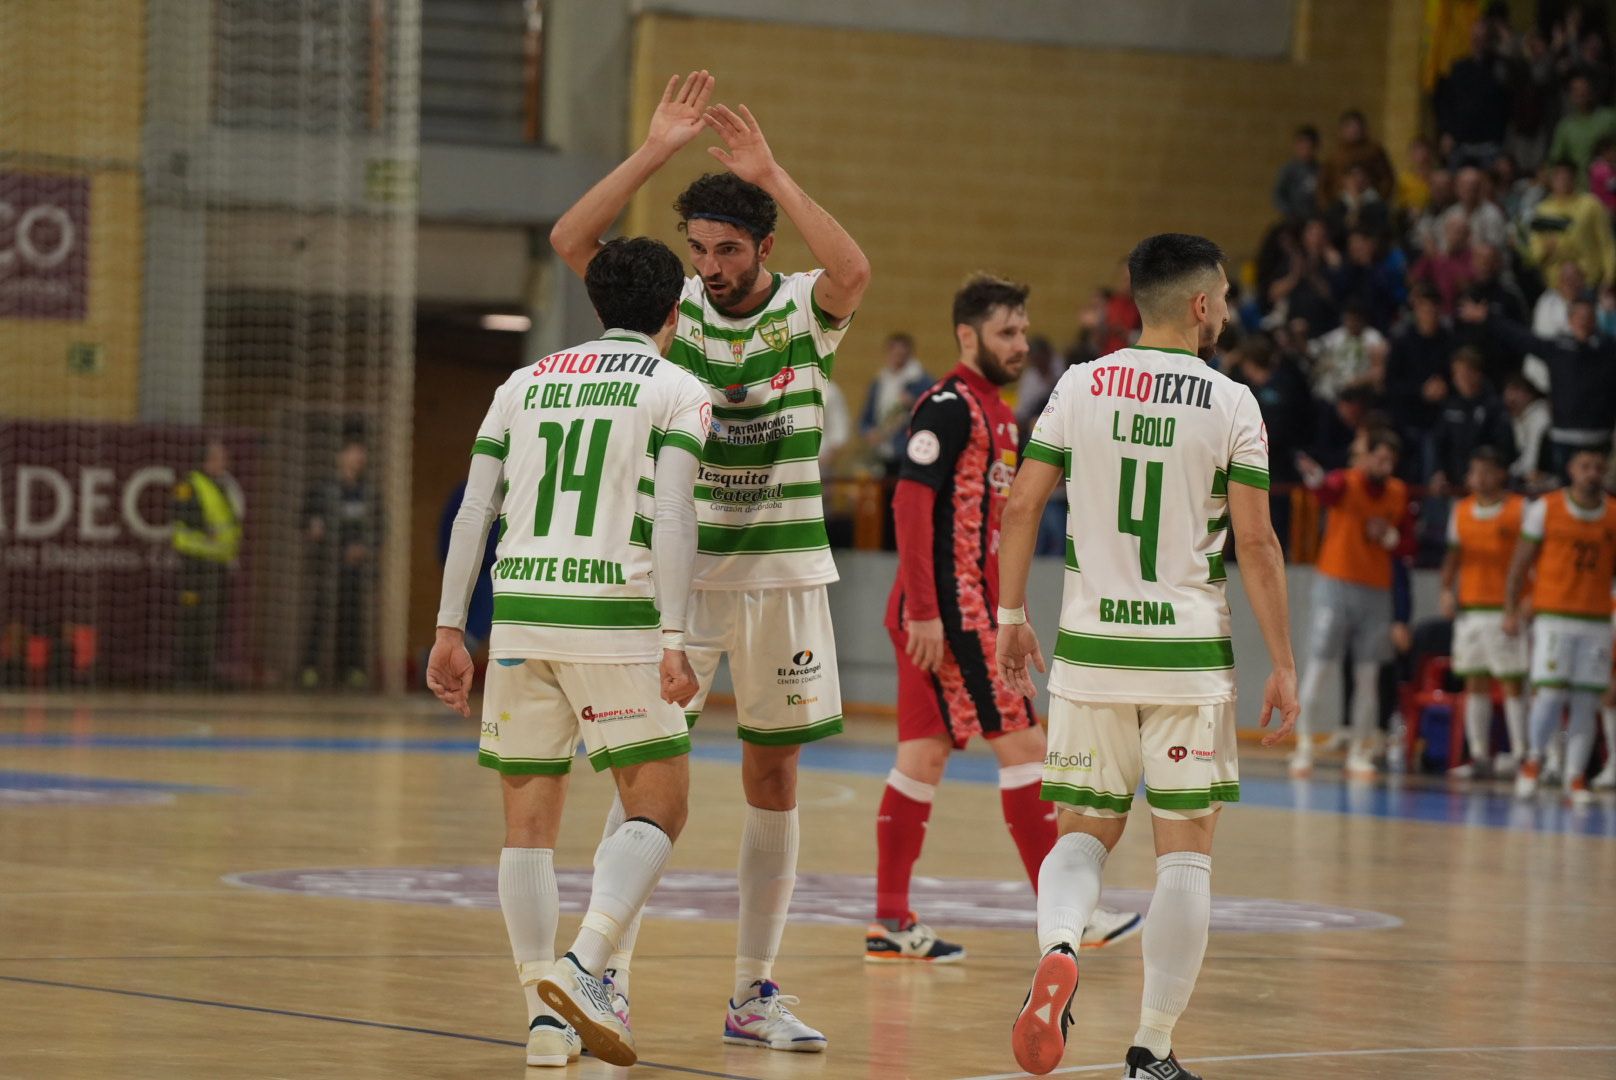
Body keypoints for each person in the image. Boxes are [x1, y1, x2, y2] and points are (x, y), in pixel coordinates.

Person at [548, 70, 870, 1051]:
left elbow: (853, 269)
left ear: (762, 248)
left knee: (771, 784)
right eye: (699, 249)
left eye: (728, 249)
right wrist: (652, 153)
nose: (711, 264)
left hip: (781, 581)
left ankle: (751, 995)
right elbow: (571, 243)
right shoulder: (672, 309)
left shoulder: (807, 309)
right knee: (644, 785)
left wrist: (771, 169)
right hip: (675, 587)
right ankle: (600, 980)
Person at [996, 233, 1299, 1079]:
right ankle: (1152, 1049)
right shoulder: (1233, 402)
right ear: (1201, 305)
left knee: (1085, 834)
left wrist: (1011, 615)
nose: (1230, 311)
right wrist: (1283, 660)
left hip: (1091, 651)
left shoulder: (1080, 384)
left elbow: (1023, 505)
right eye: (1228, 298)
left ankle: (1059, 948)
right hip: (1186, 656)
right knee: (1186, 852)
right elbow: (1257, 542)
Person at [426, 236, 709, 1068]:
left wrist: (451, 628)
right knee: (660, 806)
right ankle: (586, 966)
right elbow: (675, 517)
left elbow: (476, 509)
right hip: (614, 616)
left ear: (594, 307)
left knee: (527, 829)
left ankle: (542, 1025)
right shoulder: (678, 388)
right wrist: (674, 636)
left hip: (519, 613)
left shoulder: (522, 384)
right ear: (673, 311)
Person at [870, 276, 1141, 965]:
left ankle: (892, 921)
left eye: (1023, 332)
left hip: (964, 609)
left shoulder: (1000, 413)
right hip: (950, 614)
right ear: (968, 336)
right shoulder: (949, 408)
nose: (1020, 345)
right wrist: (928, 614)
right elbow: (908, 506)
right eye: (1006, 333)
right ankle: (1067, 916)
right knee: (1025, 747)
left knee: (923, 756)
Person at [1292, 430, 1415, 778]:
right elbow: (1326, 491)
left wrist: (1390, 537)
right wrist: (1314, 478)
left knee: (1368, 677)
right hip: (1335, 585)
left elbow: (1407, 543)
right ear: (1366, 457)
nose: (1385, 465)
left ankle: (1359, 753)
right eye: (1380, 457)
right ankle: (1303, 748)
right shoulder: (1345, 482)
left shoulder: (1398, 493)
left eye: (1391, 461)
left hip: (1376, 592)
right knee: (1319, 668)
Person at [1506, 448, 1616, 804]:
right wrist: (1511, 607)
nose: (1592, 473)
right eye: (1585, 466)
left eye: (1599, 467)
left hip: (1596, 618)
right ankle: (1533, 762)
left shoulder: (1613, 515)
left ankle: (1575, 776)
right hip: (1554, 615)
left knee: (1587, 700)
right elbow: (1521, 561)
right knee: (1551, 695)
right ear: (1571, 469)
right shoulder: (1546, 508)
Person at [1439, 447, 1530, 777]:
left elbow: (1532, 561)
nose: (1478, 477)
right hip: (1471, 609)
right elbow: (1453, 558)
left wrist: (1522, 606)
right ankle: (1479, 756)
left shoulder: (1521, 509)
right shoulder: (1461, 511)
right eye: (1474, 471)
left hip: (1506, 610)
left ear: (1501, 474)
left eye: (1486, 471)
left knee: (1512, 683)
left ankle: (1522, 756)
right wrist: (1446, 590)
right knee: (1474, 680)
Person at [1461, 294, 1616, 476]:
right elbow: (1522, 338)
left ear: (1595, 320)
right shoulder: (1558, 348)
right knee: (1562, 497)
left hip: (1599, 440)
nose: (1583, 321)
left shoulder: (1609, 350)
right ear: (1570, 320)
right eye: (1579, 316)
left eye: (1588, 317)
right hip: (1563, 439)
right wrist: (1488, 319)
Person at [300, 434, 381, 689]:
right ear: (341, 456)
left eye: (361, 452)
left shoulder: (368, 493)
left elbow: (380, 527)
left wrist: (364, 548)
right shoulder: (324, 489)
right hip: (328, 566)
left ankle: (351, 670)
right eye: (353, 452)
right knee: (321, 618)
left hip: (355, 569)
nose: (359, 458)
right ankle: (309, 668)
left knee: (352, 620)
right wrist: (312, 527)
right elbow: (306, 517)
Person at [170, 439, 243, 689]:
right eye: (219, 457)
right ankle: (186, 673)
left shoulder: (227, 485)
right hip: (195, 562)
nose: (225, 461)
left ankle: (206, 671)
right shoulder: (190, 484)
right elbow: (182, 518)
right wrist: (205, 531)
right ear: (207, 460)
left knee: (213, 619)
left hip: (218, 562)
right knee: (192, 617)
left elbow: (232, 522)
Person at [1427, 348, 1517, 492]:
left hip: (1488, 486)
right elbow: (1440, 443)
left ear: (1478, 374)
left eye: (1467, 372)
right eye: (1458, 373)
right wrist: (1439, 471)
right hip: (1455, 485)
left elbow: (1505, 448)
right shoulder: (1450, 406)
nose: (1462, 378)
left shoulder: (1494, 407)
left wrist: (1480, 474)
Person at [1523, 158, 1616, 289]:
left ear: (1574, 178)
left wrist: (1610, 277)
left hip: (1590, 282)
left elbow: (1606, 243)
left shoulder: (1591, 204)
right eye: (1558, 177)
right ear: (1551, 179)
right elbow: (1535, 252)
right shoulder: (1542, 211)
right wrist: (1545, 250)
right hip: (1556, 285)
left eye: (1566, 177)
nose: (1563, 181)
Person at [1434, 20, 1512, 168]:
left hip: (1491, 143)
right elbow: (1447, 103)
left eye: (1483, 38)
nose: (1479, 42)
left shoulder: (1500, 67)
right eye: (1476, 38)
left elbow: (1509, 95)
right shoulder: (1459, 68)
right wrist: (1446, 131)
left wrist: (1506, 46)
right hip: (1461, 142)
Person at [859, 332, 932, 476]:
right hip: (881, 451)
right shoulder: (880, 382)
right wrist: (869, 432)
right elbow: (866, 417)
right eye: (895, 353)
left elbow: (933, 414)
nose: (898, 357)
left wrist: (914, 403)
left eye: (902, 354)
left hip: (908, 451)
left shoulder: (921, 382)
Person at [1317, 109, 1396, 207]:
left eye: (1357, 126)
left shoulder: (1374, 151)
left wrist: (1380, 198)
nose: (1354, 130)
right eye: (1350, 126)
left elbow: (1387, 178)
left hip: (1369, 203)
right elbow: (1324, 183)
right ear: (1342, 129)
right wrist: (1327, 206)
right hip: (1340, 205)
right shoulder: (1335, 155)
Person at [1546, 73, 1616, 178]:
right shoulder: (1566, 126)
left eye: (1585, 89)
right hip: (1578, 189)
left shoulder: (1609, 118)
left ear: (1592, 91)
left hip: (1608, 186)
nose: (1581, 93)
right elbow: (1555, 161)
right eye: (1576, 90)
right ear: (1570, 95)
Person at [1503, 373, 1552, 487]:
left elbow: (1532, 457)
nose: (1511, 397)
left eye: (1516, 391)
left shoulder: (1540, 415)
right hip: (1524, 475)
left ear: (1529, 394)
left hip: (1542, 478)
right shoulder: (1517, 416)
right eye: (1509, 391)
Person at [1272, 125, 1321, 222]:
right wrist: (1290, 212)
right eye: (1302, 146)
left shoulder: (1321, 170)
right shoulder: (1289, 170)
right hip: (1293, 218)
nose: (1306, 150)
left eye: (1309, 146)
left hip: (1315, 219)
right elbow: (1278, 194)